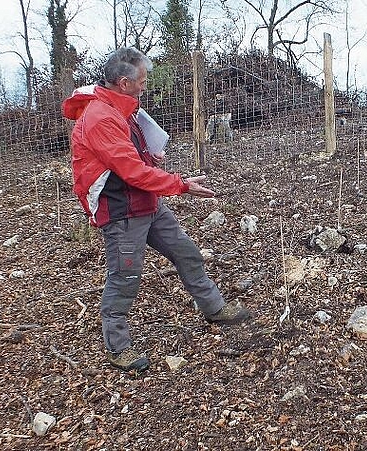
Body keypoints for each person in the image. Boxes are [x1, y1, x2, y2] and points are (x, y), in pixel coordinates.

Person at [61, 47, 249, 372]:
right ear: (123, 83)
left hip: (147, 203)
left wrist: (152, 160)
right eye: (143, 80)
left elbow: (131, 160)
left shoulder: (122, 108)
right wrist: (182, 185)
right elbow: (130, 171)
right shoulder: (100, 118)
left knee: (187, 252)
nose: (146, 84)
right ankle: (117, 347)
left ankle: (214, 308)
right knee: (124, 277)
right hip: (122, 212)